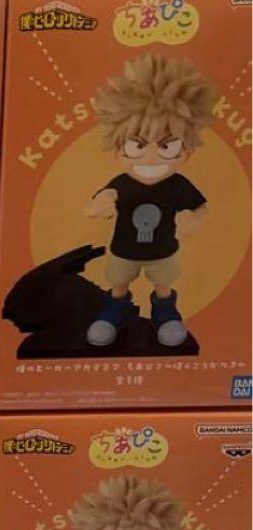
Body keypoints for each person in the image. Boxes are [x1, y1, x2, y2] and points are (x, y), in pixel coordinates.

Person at [85, 55, 214, 348]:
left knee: (163, 285)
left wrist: (193, 219)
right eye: (138, 145)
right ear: (118, 149)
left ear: (186, 150)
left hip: (163, 251)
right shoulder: (122, 183)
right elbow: (99, 201)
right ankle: (115, 310)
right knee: (118, 284)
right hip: (123, 251)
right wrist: (98, 205)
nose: (152, 157)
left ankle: (165, 313)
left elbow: (200, 206)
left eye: (167, 146)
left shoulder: (178, 185)